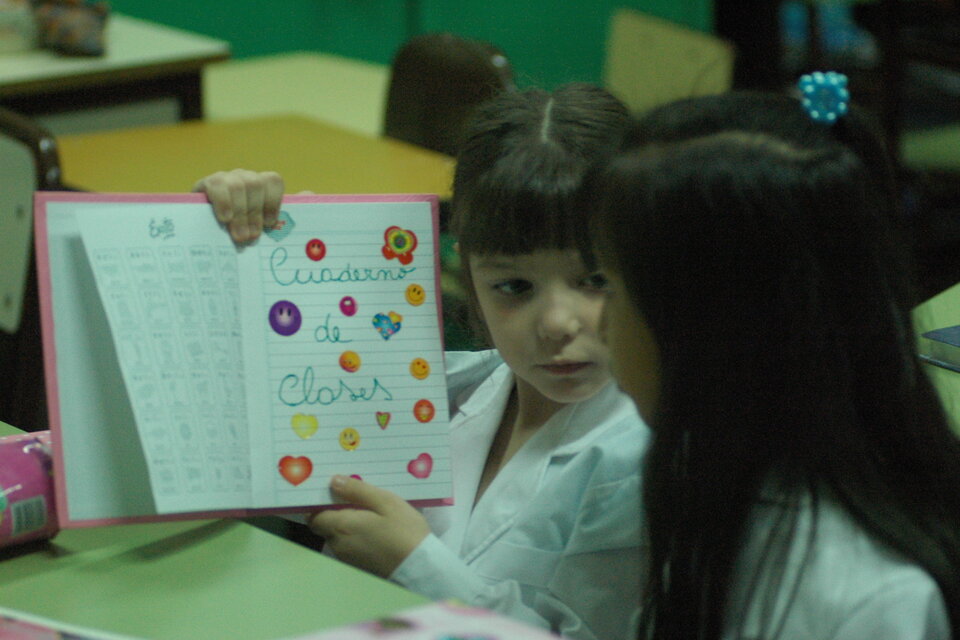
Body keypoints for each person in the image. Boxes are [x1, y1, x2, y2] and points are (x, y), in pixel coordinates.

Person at [194, 83, 649, 640]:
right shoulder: (448, 388)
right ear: (465, 270)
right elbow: (239, 457)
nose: (557, 322)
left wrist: (416, 565)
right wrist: (240, 250)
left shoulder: (649, 453)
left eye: (595, 280)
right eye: (513, 285)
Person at [583, 87, 960, 639]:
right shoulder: (724, 486)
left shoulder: (871, 598)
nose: (596, 325)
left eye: (608, 288)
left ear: (713, 331)